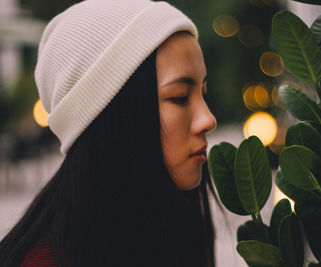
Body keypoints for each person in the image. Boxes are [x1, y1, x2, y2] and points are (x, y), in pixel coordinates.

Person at [0, 0, 218, 266]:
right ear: (109, 115)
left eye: (203, 94)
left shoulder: (179, 225)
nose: (208, 119)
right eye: (180, 97)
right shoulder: (43, 261)